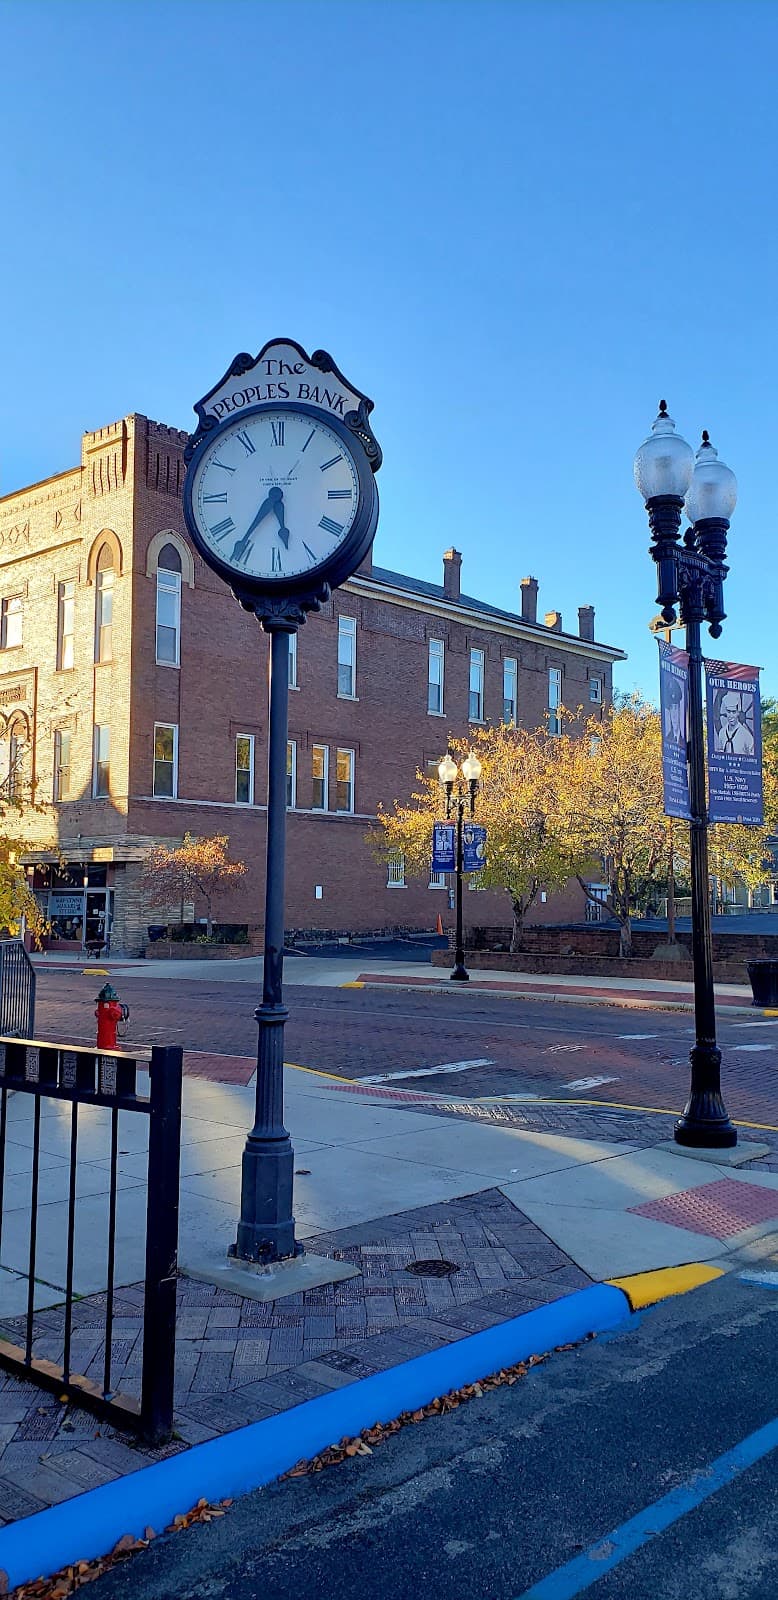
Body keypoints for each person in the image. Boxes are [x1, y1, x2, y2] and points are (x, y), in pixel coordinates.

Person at [715, 691, 755, 756]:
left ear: (738, 713)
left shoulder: (746, 736)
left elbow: (753, 760)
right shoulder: (722, 733)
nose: (731, 715)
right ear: (725, 712)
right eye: (728, 711)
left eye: (733, 712)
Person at [664, 676, 686, 747]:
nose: (673, 715)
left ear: (680, 711)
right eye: (671, 709)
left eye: (676, 708)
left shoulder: (684, 741)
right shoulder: (667, 739)